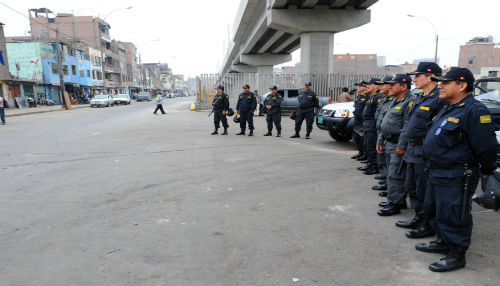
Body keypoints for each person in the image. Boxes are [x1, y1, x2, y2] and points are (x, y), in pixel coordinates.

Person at [415, 67, 497, 272]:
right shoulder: (449, 106)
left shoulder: (475, 110)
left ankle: (456, 254)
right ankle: (443, 241)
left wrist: (486, 171)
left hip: (457, 174)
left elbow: (486, 146)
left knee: (454, 213)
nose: (440, 86)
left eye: (445, 83)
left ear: (462, 86)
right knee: (438, 210)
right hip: (437, 170)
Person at [395, 62, 444, 239]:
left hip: (424, 150)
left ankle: (427, 224)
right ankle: (419, 217)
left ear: (431, 76)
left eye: (418, 75)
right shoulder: (421, 97)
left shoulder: (439, 98)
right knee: (412, 185)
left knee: (424, 189)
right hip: (412, 148)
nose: (414, 79)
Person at [377, 74, 415, 216]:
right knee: (391, 173)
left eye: (393, 84)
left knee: (396, 175)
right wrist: (380, 141)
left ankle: (395, 204)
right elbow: (384, 123)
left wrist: (401, 146)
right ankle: (397, 200)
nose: (389, 87)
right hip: (388, 142)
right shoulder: (394, 100)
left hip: (397, 143)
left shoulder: (409, 102)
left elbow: (407, 126)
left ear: (404, 86)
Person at [372, 75, 396, 192]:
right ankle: (387, 182)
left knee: (393, 168)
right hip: (383, 134)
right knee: (385, 161)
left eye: (383, 84)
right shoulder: (386, 99)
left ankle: (390, 187)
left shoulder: (394, 100)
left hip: (393, 139)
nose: (380, 86)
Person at [357, 78, 383, 175]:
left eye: (370, 84)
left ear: (377, 85)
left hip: (372, 124)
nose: (367, 86)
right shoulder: (372, 96)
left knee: (371, 146)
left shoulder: (378, 97)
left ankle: (374, 166)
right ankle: (370, 163)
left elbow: (377, 114)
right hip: (367, 124)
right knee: (367, 145)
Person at [351, 80, 369, 160]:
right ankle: (360, 152)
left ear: (365, 87)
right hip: (356, 120)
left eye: (360, 86)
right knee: (356, 137)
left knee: (363, 139)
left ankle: (365, 154)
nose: (358, 87)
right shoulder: (359, 96)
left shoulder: (367, 97)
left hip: (362, 121)